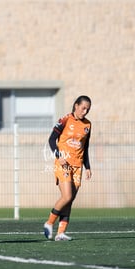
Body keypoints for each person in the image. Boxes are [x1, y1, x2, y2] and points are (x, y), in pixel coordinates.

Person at [43, 95, 92, 241]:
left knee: (70, 200)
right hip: (63, 163)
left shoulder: (88, 125)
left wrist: (87, 166)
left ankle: (61, 233)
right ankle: (49, 223)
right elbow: (52, 139)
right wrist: (59, 156)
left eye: (88, 109)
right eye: (83, 108)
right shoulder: (65, 120)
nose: (85, 111)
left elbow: (86, 147)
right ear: (76, 105)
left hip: (78, 166)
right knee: (67, 196)